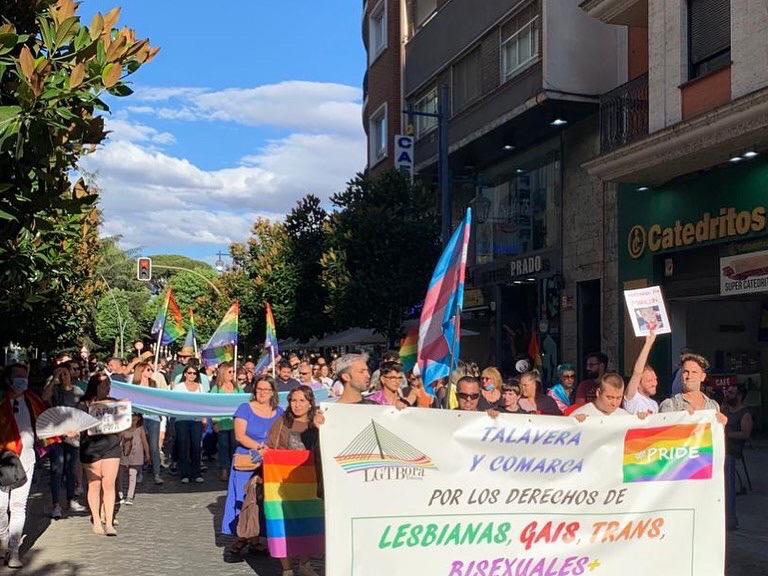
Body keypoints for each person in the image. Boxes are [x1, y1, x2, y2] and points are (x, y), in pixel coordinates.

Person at [222, 376, 283, 558]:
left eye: (266, 389)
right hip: (247, 461)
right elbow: (240, 436)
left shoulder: (279, 412)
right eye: (259, 389)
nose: (262, 393)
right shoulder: (244, 408)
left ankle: (255, 540)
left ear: (273, 392)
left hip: (269, 463)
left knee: (263, 500)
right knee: (243, 500)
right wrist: (260, 448)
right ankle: (240, 540)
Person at [264, 385, 321, 576]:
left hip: (309, 484)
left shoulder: (318, 424)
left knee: (307, 522)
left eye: (301, 401)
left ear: (310, 402)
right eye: (293, 400)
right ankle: (287, 568)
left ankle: (304, 564)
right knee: (281, 522)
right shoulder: (281, 423)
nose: (296, 405)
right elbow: (270, 447)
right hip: (282, 482)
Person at [0, 364, 49, 567]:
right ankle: (2, 539)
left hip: (26, 458)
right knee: (1, 507)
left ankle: (13, 551)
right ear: (9, 379)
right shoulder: (1, 401)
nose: (23, 380)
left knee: (18, 506)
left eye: (25, 376)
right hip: (3, 459)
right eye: (18, 376)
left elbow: (47, 424)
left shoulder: (33, 401)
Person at [79, 372, 122, 536]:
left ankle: (109, 522)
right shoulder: (84, 404)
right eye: (104, 385)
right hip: (90, 448)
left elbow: (123, 423)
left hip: (111, 446)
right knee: (94, 483)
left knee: (109, 483)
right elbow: (77, 425)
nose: (107, 388)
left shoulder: (114, 403)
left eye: (109, 385)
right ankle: (96, 520)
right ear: (95, 386)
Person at [42, 365, 86, 519]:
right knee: (57, 469)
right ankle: (56, 504)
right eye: (61, 374)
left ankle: (70, 500)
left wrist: (77, 429)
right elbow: (44, 397)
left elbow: (82, 412)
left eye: (65, 373)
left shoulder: (77, 391)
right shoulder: (54, 390)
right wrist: (54, 379)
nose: (63, 376)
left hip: (72, 435)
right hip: (56, 435)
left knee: (71, 468)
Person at [659, 353, 727, 426]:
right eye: (686, 372)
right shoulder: (669, 405)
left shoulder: (713, 406)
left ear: (703, 377)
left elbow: (715, 435)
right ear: (681, 375)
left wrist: (721, 425)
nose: (689, 376)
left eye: (694, 372)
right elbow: (663, 435)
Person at [723, 383, 753, 531]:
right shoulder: (724, 409)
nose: (727, 395)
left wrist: (726, 435)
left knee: (728, 484)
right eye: (727, 392)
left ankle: (730, 520)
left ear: (739, 396)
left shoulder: (744, 414)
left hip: (732, 451)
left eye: (730, 393)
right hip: (720, 448)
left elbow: (746, 434)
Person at [172, 365, 206, 484]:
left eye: (194, 373)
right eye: (190, 373)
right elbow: (173, 402)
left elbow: (203, 404)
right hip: (182, 420)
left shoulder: (201, 387)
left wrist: (204, 418)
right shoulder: (178, 387)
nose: (192, 375)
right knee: (183, 447)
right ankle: (185, 474)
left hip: (196, 420)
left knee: (196, 447)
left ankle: (196, 473)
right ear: (185, 374)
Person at [131, 362, 164, 485]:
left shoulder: (153, 384)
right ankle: (140, 474)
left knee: (154, 447)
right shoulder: (134, 386)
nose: (150, 372)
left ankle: (157, 473)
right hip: (140, 418)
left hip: (154, 418)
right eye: (148, 370)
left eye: (150, 370)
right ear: (141, 371)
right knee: (139, 447)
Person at [211, 361, 241, 482]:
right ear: (223, 373)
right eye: (230, 372)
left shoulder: (237, 388)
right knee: (223, 447)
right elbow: (212, 405)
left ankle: (235, 469)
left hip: (235, 423)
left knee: (235, 447)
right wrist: (214, 422)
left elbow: (243, 402)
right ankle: (224, 470)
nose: (232, 374)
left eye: (233, 371)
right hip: (222, 422)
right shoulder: (216, 388)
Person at [623, 332, 659, 415]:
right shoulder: (632, 399)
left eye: (655, 379)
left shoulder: (655, 404)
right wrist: (648, 344)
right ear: (638, 384)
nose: (655, 383)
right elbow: (637, 373)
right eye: (649, 380)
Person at [119, 414, 150, 505]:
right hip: (123, 455)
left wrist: (147, 454)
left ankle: (129, 496)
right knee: (120, 475)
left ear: (138, 419)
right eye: (131, 420)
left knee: (132, 475)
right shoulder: (122, 430)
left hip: (136, 455)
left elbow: (145, 442)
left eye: (135, 420)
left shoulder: (140, 429)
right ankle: (120, 493)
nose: (132, 422)